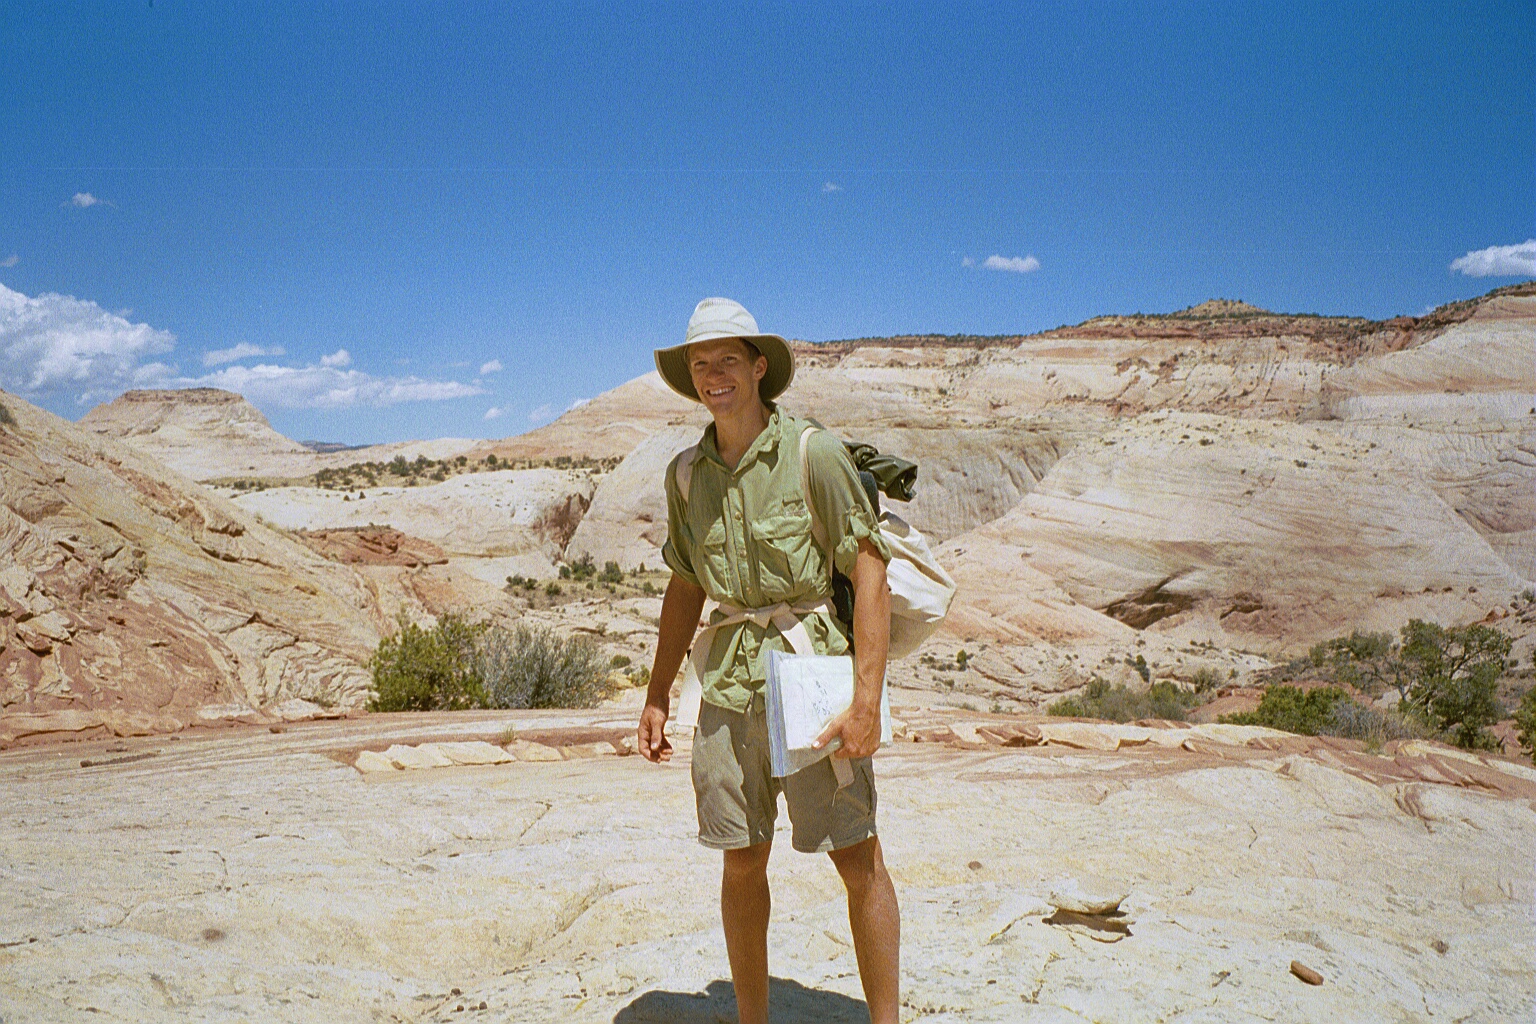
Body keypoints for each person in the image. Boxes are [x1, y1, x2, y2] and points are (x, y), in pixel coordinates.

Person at [636, 297, 901, 1024]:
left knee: (856, 855)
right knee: (741, 857)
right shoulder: (686, 475)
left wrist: (867, 703)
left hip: (811, 675)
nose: (713, 375)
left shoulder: (813, 453)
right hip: (727, 686)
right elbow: (685, 584)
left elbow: (869, 569)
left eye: (728, 360)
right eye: (701, 364)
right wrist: (657, 693)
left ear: (759, 368)